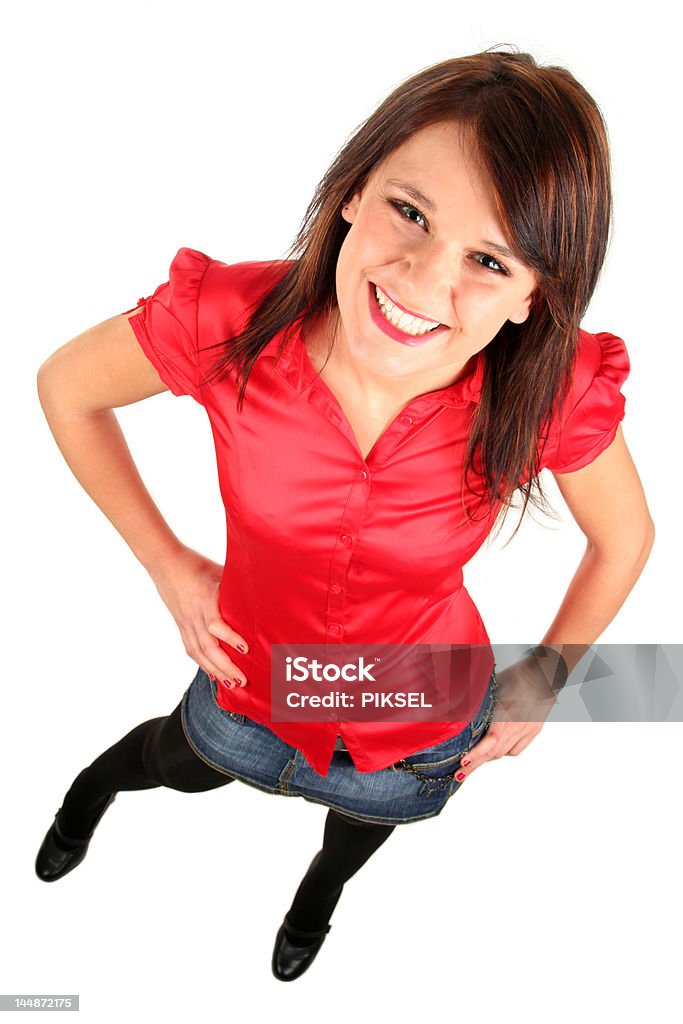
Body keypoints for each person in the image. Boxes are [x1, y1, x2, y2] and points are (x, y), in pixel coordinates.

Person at [35, 47, 654, 982]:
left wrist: (548, 678)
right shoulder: (229, 319)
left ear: (534, 295)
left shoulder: (550, 393)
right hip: (252, 675)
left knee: (358, 830)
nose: (420, 277)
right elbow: (66, 389)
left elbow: (627, 537)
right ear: (353, 193)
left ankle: (311, 910)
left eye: (488, 260)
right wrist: (166, 563)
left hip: (416, 712)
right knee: (174, 760)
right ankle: (85, 799)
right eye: (410, 211)